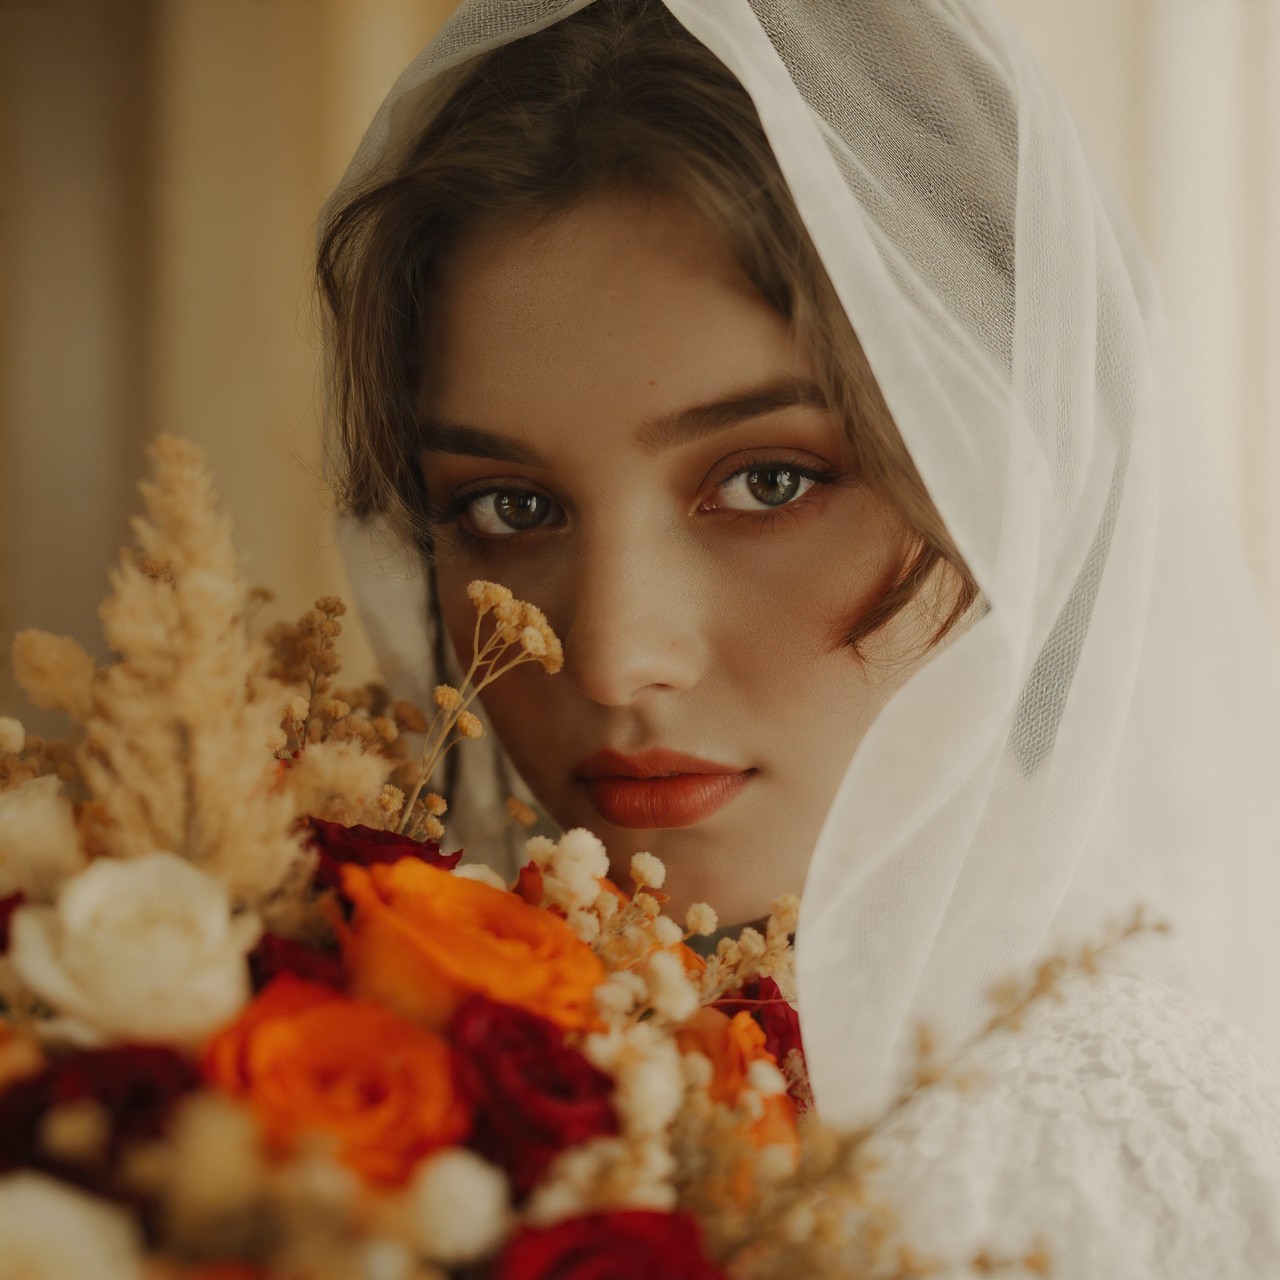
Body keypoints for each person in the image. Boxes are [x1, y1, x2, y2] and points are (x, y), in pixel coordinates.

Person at [317, 1, 1280, 1273]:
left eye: (767, 481)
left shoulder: (1078, 1167)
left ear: (1017, 479)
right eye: (508, 506)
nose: (608, 659)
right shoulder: (385, 1065)